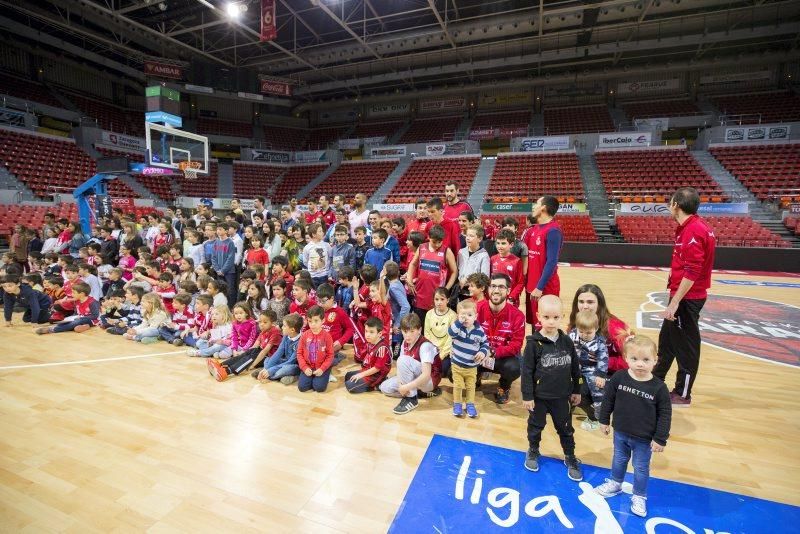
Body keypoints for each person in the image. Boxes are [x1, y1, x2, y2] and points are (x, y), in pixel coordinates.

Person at [595, 335, 672, 518]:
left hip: (644, 439)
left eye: (646, 360)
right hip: (620, 432)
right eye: (635, 359)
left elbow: (665, 415)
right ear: (626, 358)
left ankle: (639, 495)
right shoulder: (618, 378)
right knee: (619, 460)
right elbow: (608, 400)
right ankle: (615, 483)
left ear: (655, 360)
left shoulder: (659, 388)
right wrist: (604, 420)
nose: (640, 364)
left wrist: (660, 438)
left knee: (641, 467)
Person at [653, 187, 716, 407]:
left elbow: (692, 270)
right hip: (681, 296)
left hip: (687, 299)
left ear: (676, 205)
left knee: (686, 348)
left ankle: (683, 393)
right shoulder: (690, 227)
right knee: (667, 342)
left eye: (670, 203)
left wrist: (675, 302)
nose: (669, 206)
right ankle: (656, 380)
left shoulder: (693, 231)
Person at [521, 294, 583, 481]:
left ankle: (570, 456)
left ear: (562, 317)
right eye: (546, 317)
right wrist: (527, 396)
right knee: (536, 425)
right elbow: (527, 372)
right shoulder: (532, 344)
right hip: (539, 397)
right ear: (538, 316)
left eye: (556, 317)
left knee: (565, 428)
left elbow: (575, 368)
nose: (551, 321)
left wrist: (577, 390)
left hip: (562, 397)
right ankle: (533, 450)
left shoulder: (567, 342)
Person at [476, 273, 526, 405]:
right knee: (451, 372)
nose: (496, 290)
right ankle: (475, 376)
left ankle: (504, 386)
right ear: (488, 289)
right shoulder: (476, 308)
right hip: (479, 356)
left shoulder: (518, 316)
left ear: (508, 291)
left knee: (515, 368)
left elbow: (516, 345)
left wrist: (493, 352)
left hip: (500, 359)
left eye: (501, 287)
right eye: (493, 286)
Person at [380, 313, 442, 415]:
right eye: (405, 331)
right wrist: (401, 385)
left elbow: (426, 375)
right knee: (384, 388)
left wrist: (406, 387)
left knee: (402, 360)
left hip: (430, 380)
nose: (408, 335)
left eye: (412, 331)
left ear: (419, 330)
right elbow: (402, 369)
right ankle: (419, 393)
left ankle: (411, 399)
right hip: (415, 377)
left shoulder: (425, 345)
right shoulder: (405, 342)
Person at [568, 284, 632, 375]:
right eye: (581, 302)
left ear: (599, 304)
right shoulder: (575, 323)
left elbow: (633, 359)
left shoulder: (617, 328)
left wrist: (604, 360)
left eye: (590, 302)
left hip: (609, 375)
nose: (585, 306)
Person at [524, 196, 563, 329]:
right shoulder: (533, 230)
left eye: (537, 203)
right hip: (531, 286)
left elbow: (552, 262)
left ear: (544, 208)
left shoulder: (553, 231)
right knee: (535, 325)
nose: (534, 206)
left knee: (546, 327)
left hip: (545, 287)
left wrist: (540, 287)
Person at [405, 225, 458, 322]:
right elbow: (412, 264)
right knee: (420, 325)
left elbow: (454, 271)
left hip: (437, 296)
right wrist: (409, 279)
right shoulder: (421, 248)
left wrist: (446, 288)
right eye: (434, 242)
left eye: (440, 242)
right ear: (429, 237)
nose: (437, 244)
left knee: (434, 327)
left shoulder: (447, 251)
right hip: (420, 293)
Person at [449, 299, 491, 419]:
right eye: (463, 315)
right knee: (457, 386)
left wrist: (483, 352)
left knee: (471, 386)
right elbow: (450, 333)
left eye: (469, 315)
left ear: (475, 316)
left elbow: (485, 344)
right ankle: (457, 404)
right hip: (457, 364)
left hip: (472, 366)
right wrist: (458, 322)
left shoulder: (479, 331)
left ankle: (470, 404)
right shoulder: (457, 328)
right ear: (458, 316)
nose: (466, 318)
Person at [568, 310, 609, 431]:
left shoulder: (599, 341)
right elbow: (566, 348)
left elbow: (603, 358)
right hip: (574, 366)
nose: (584, 335)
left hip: (591, 368)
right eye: (581, 331)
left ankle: (598, 409)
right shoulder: (572, 335)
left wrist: (601, 375)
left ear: (596, 329)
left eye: (589, 332)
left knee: (596, 386)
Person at [345, 316, 392, 394]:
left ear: (379, 333)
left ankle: (378, 384)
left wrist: (361, 375)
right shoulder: (370, 342)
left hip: (376, 375)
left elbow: (377, 368)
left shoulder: (382, 348)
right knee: (348, 376)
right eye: (366, 331)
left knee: (350, 386)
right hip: (368, 369)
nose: (367, 335)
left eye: (371, 332)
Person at [296, 305, 335, 392]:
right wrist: (304, 367)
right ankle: (313, 378)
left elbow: (330, 355)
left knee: (319, 388)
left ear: (323, 321)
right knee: (302, 388)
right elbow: (299, 353)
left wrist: (322, 368)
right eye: (310, 321)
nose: (312, 324)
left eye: (316, 321)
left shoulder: (327, 336)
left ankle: (327, 373)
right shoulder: (305, 335)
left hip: (321, 366)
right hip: (308, 367)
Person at [257, 313, 303, 384]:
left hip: (294, 365)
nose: (282, 328)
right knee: (267, 359)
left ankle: (293, 377)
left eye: (284, 326)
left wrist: (271, 370)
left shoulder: (301, 341)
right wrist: (267, 368)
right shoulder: (286, 336)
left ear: (292, 330)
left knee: (285, 369)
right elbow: (278, 353)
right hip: (284, 361)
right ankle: (266, 372)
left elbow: (291, 362)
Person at [491, 229, 525, 306]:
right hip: (495, 298)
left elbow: (520, 282)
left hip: (510, 301)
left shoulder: (517, 261)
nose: (500, 246)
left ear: (511, 244)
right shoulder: (492, 259)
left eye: (503, 243)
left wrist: (511, 298)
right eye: (498, 243)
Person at [456, 224, 490, 299]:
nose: (468, 238)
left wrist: (468, 281)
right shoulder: (461, 252)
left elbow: (485, 277)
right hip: (460, 291)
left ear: (479, 239)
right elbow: (457, 270)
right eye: (467, 235)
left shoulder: (484, 256)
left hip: (474, 294)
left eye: (471, 236)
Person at [302, 223, 332, 288]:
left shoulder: (326, 245)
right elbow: (305, 261)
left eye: (322, 231)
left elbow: (330, 258)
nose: (323, 233)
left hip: (324, 275)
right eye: (320, 231)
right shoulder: (307, 247)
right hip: (312, 276)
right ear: (314, 234)